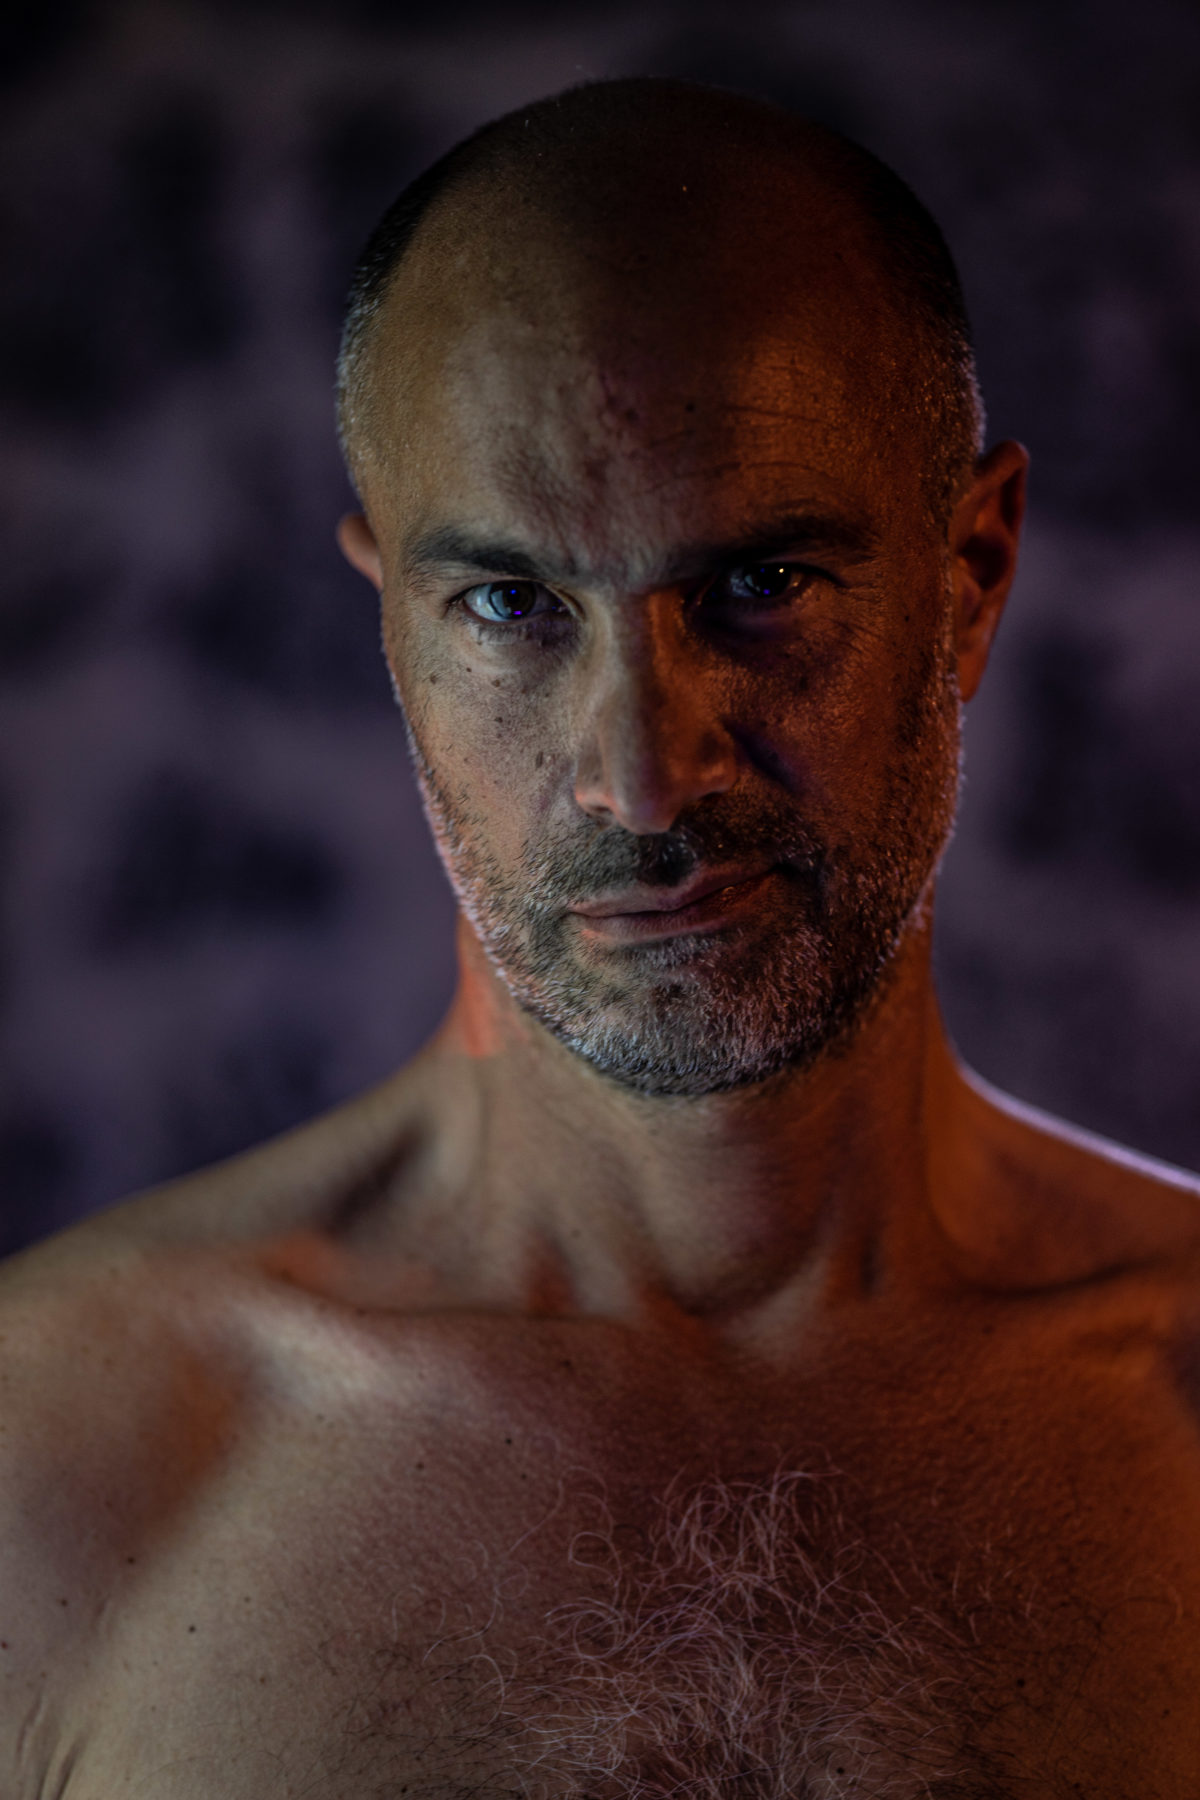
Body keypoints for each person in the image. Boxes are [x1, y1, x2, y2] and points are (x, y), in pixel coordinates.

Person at [1, 76, 1197, 1800]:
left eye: (759, 588)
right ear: (394, 622)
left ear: (971, 576)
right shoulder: (57, 1466)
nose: (641, 777)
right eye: (511, 605)